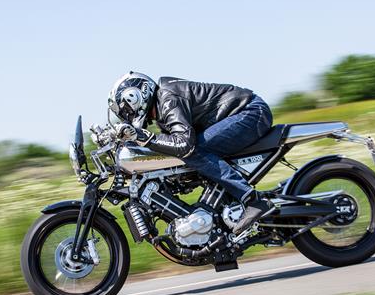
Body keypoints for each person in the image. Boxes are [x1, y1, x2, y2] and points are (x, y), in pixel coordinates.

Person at [108, 71, 274, 235]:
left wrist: (144, 136)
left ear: (136, 96)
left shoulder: (168, 98)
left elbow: (184, 145)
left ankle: (253, 200)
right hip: (244, 114)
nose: (127, 117)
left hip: (250, 111)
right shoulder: (162, 106)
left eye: (126, 110)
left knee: (192, 151)